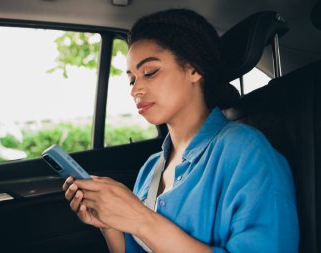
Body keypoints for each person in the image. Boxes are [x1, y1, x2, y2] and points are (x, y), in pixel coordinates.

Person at [62, 8, 299, 253]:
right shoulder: (150, 169)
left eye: (150, 72)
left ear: (194, 69)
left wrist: (141, 219)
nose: (136, 90)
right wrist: (109, 224)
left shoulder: (246, 152)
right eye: (132, 80)